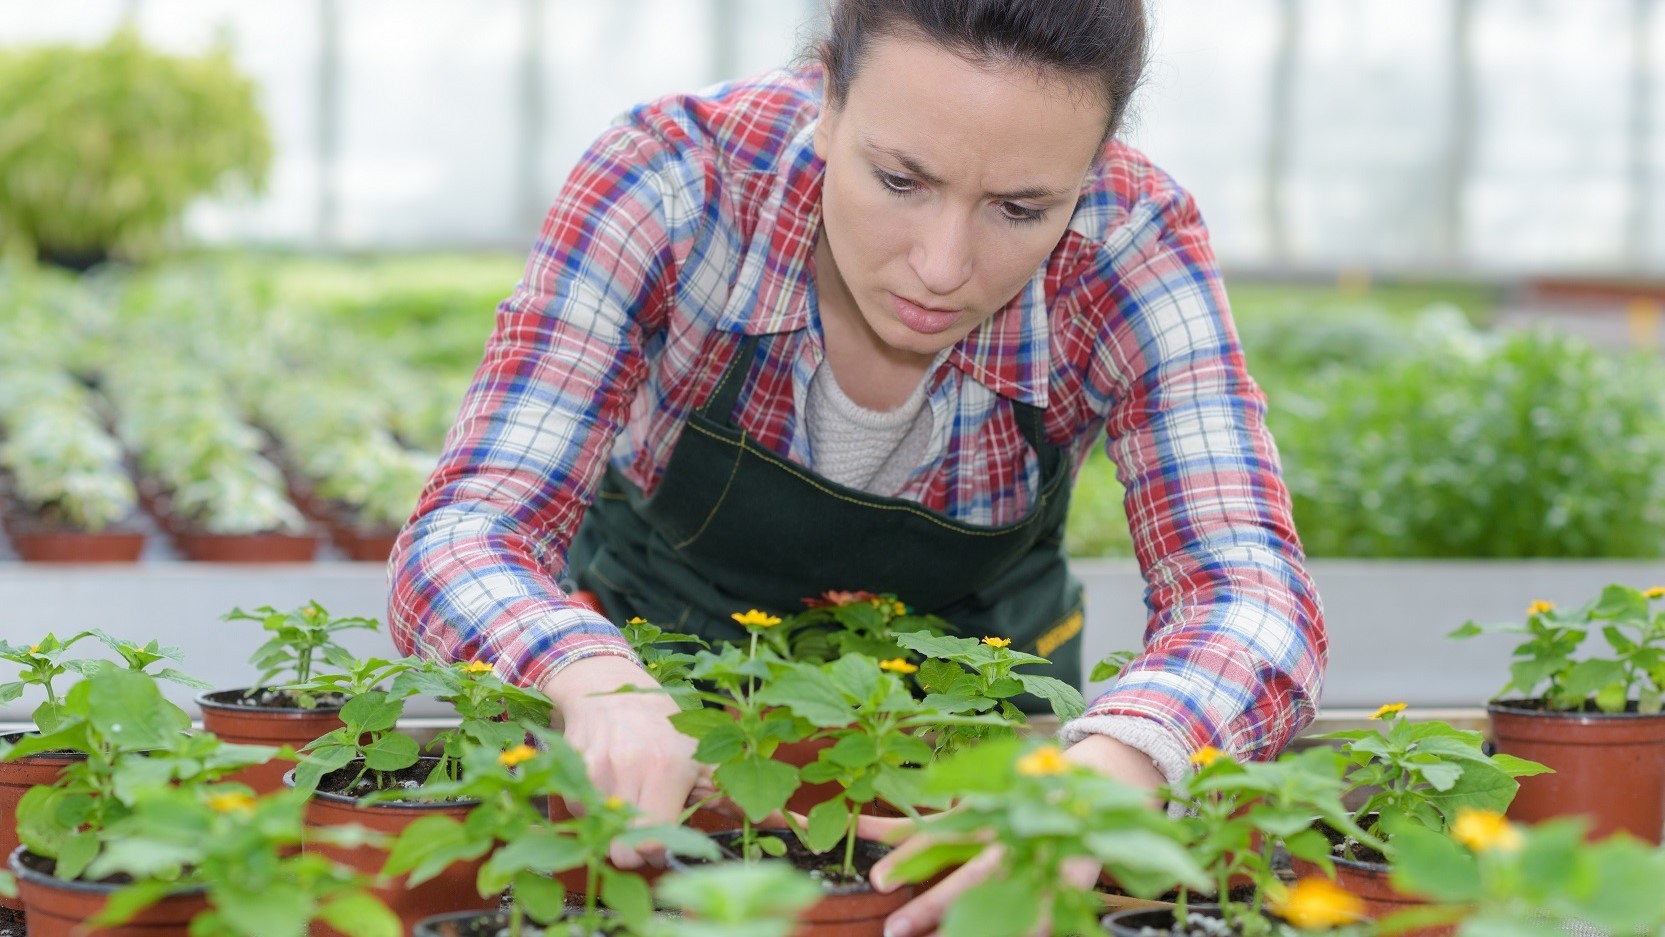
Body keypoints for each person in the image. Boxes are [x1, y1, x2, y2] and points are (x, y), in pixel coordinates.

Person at [389, 0, 1325, 932]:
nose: (941, 265)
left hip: (979, 724)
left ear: (1092, 168)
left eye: (1018, 208)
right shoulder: (675, 182)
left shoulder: (1130, 244)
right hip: (664, 694)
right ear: (827, 96)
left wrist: (1119, 763)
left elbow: (1251, 594)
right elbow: (466, 532)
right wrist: (591, 675)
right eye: (899, 180)